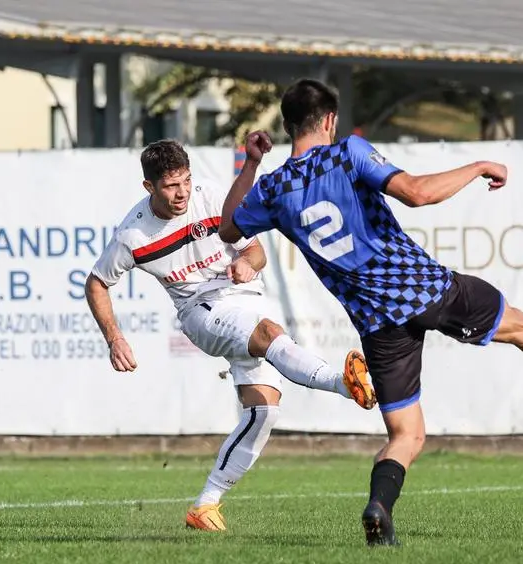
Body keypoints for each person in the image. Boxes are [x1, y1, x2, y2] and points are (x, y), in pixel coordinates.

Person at [217, 79, 523, 546]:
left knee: (407, 435)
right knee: (517, 326)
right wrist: (477, 165)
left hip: (375, 322)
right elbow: (416, 193)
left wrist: (252, 161)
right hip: (424, 288)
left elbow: (228, 227)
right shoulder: (347, 152)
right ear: (330, 120)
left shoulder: (272, 188)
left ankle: (380, 508)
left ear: (288, 125)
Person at [85, 138, 376, 533]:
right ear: (149, 188)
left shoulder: (210, 198)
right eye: (171, 186)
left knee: (264, 411)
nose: (182, 192)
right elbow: (97, 282)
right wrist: (114, 337)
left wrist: (245, 264)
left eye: (186, 180)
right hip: (200, 311)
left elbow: (257, 253)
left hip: (245, 297)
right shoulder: (133, 235)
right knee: (270, 333)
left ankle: (205, 506)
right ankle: (343, 384)